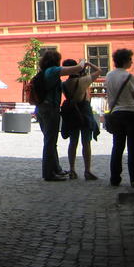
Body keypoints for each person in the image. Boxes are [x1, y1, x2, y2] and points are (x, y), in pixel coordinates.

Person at [36, 50, 87, 181]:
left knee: (50, 140)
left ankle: (56, 168)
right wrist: (82, 61)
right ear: (56, 60)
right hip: (50, 108)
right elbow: (78, 68)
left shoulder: (44, 72)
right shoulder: (53, 71)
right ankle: (49, 173)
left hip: (41, 108)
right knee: (50, 141)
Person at [60, 58, 102, 180]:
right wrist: (87, 64)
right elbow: (99, 71)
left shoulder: (64, 84)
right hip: (84, 112)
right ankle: (87, 170)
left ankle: (72, 169)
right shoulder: (84, 80)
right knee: (86, 142)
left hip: (72, 113)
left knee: (73, 142)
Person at [105, 48, 134, 188]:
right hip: (131, 112)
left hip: (116, 114)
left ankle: (115, 177)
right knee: (132, 147)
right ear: (126, 61)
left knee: (117, 146)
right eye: (130, 59)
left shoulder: (109, 75)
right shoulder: (128, 76)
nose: (132, 62)